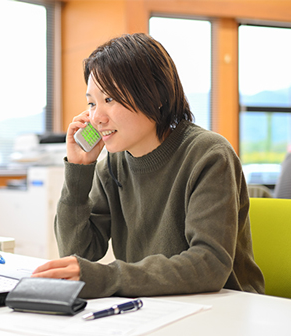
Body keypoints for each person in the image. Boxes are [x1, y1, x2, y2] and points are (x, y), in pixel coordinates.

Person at [31, 33, 264, 298]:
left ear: (156, 96)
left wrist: (109, 277)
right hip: (153, 304)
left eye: (109, 99)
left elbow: (209, 264)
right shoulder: (113, 165)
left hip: (226, 307)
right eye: (92, 103)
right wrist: (79, 171)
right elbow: (80, 252)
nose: (97, 117)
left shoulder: (208, 154)